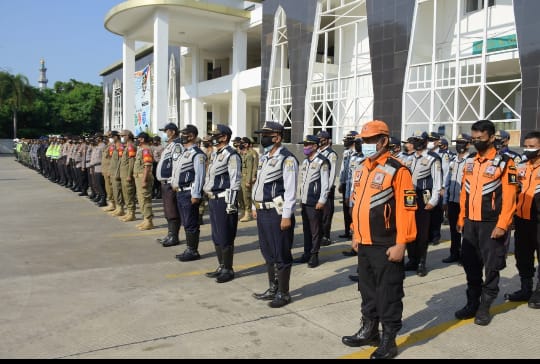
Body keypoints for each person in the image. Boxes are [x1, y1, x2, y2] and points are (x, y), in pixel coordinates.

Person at [341, 120, 417, 360]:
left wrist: (402, 242)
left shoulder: (398, 170)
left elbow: (408, 209)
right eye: (364, 141)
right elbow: (357, 204)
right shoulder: (361, 167)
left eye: (372, 140)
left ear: (384, 141)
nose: (367, 145)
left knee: (389, 293)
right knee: (367, 290)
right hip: (364, 242)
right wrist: (355, 232)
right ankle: (369, 330)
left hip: (387, 244)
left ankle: (389, 340)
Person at [455, 119, 518, 326]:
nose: (476, 142)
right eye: (473, 139)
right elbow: (464, 192)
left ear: (492, 138)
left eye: (480, 138)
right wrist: (461, 218)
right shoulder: (471, 161)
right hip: (470, 223)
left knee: (491, 267)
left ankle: (485, 306)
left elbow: (510, 198)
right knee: (470, 265)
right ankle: (472, 302)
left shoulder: (505, 163)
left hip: (491, 223)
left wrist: (503, 224)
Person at [251, 121, 299, 308]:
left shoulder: (287, 159)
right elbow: (258, 184)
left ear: (277, 137)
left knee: (281, 253)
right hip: (263, 211)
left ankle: (284, 293)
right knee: (268, 252)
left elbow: (290, 190)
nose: (262, 138)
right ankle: (273, 288)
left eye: (266, 135)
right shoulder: (265, 158)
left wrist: (287, 215)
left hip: (277, 212)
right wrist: (255, 207)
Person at [504, 131, 540, 309]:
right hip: (522, 220)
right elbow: (512, 190)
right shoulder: (521, 166)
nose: (528, 149)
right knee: (522, 257)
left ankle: (539, 292)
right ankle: (526, 288)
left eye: (532, 147)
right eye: (526, 146)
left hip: (538, 221)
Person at [203, 124, 241, 283]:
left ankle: (228, 269)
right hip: (213, 199)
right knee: (216, 236)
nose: (213, 137)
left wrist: (231, 204)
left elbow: (235, 180)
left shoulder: (231, 155)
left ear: (224, 137)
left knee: (225, 236)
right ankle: (221, 265)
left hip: (224, 199)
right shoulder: (215, 154)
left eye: (216, 135)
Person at [403, 131, 442, 277]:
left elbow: (437, 181)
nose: (416, 142)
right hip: (409, 197)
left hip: (423, 197)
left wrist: (433, 201)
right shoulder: (408, 158)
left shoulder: (433, 158)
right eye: (414, 140)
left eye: (419, 140)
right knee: (409, 229)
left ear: (426, 141)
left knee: (422, 232)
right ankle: (412, 259)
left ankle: (421, 262)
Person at [293, 135, 330, 268]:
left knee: (315, 230)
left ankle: (314, 254)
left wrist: (322, 200)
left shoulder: (322, 161)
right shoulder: (305, 162)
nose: (305, 147)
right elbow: (302, 182)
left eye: (307, 145)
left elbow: (325, 183)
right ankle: (306, 253)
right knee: (306, 229)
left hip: (315, 201)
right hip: (305, 200)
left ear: (315, 146)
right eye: (304, 145)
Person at [171, 124, 207, 261]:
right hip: (181, 192)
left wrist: (196, 194)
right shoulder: (185, 153)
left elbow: (199, 175)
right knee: (186, 222)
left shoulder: (198, 155)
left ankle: (193, 251)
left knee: (191, 223)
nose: (182, 136)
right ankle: (189, 248)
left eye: (184, 134)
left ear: (191, 136)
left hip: (189, 193)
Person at [441, 134, 472, 264]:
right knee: (454, 230)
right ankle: (454, 253)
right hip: (452, 201)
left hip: (465, 202)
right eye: (457, 142)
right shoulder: (453, 160)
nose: (459, 145)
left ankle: (465, 256)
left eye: (462, 142)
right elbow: (448, 180)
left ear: (468, 144)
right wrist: (445, 200)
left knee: (465, 231)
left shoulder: (471, 160)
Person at [156, 123, 183, 247]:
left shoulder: (177, 144)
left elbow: (177, 164)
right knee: (168, 210)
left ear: (172, 132)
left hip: (170, 183)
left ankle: (174, 236)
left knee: (172, 211)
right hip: (165, 183)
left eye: (166, 131)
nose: (165, 133)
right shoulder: (170, 144)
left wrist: (174, 180)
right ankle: (170, 234)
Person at [317, 130, 339, 246]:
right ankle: (319, 234)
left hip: (327, 188)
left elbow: (332, 173)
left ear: (327, 140)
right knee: (318, 214)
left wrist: (328, 189)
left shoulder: (331, 154)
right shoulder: (317, 152)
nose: (320, 140)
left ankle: (326, 236)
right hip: (318, 187)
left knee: (326, 214)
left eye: (322, 138)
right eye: (318, 138)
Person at [338, 131, 358, 239]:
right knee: (346, 209)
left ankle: (353, 232)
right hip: (346, 183)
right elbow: (342, 168)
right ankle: (347, 230)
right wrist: (341, 182)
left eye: (348, 139)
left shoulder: (359, 154)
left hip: (354, 185)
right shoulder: (346, 152)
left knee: (353, 210)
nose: (345, 142)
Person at [133, 132, 155, 230]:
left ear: (142, 139)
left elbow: (147, 166)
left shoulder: (146, 150)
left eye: (138, 138)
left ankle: (149, 221)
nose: (136, 140)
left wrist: (144, 180)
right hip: (139, 177)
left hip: (143, 177)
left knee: (145, 199)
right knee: (141, 199)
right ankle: (145, 219)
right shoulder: (141, 149)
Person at [118, 130, 137, 222]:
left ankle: (132, 213)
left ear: (128, 136)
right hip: (123, 174)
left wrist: (129, 174)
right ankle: (128, 212)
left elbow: (131, 161)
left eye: (123, 136)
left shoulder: (131, 147)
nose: (122, 138)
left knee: (129, 193)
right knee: (126, 194)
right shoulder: (126, 147)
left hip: (127, 174)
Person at [239, 137, 257, 222]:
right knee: (241, 196)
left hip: (247, 177)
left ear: (246, 144)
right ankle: (244, 211)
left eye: (242, 143)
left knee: (247, 196)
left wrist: (252, 177)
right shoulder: (242, 153)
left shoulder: (252, 153)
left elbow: (253, 167)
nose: (240, 144)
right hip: (241, 177)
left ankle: (248, 213)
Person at [151, 135, 165, 199]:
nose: (155, 142)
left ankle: (159, 193)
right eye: (154, 140)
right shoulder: (151, 147)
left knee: (158, 179)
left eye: (156, 141)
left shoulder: (161, 147)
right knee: (153, 179)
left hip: (158, 164)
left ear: (159, 141)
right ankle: (153, 193)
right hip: (152, 164)